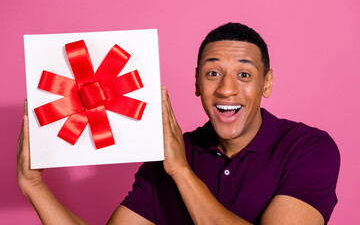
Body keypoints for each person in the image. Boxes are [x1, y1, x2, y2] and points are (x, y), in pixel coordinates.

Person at [17, 23, 340, 224]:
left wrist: (182, 171)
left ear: (266, 84)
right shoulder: (166, 155)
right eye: (213, 73)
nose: (227, 89)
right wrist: (35, 188)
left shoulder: (308, 148)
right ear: (197, 83)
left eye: (244, 75)